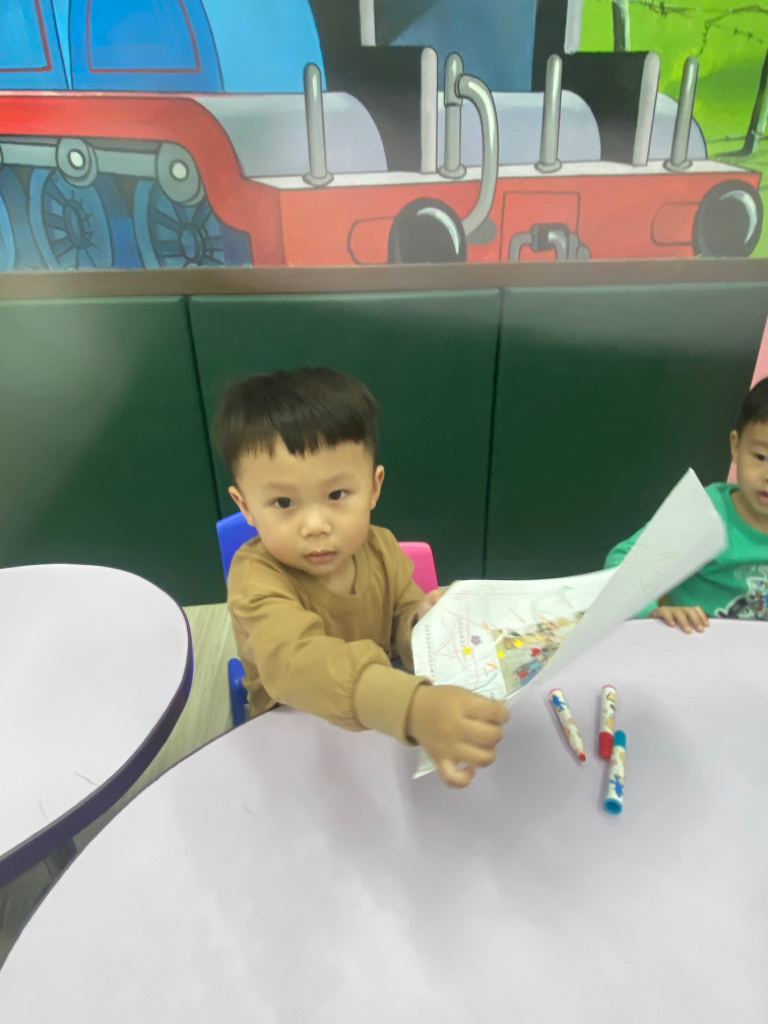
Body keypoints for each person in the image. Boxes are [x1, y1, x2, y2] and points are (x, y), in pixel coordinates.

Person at [214, 367, 509, 787]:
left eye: (336, 495)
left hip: (377, 721)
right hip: (294, 727)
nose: (315, 525)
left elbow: (404, 614)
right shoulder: (255, 577)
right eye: (283, 502)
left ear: (373, 487)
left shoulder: (381, 547)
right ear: (245, 506)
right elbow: (297, 664)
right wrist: (412, 708)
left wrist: (422, 622)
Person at [605, 376, 768, 632]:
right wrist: (651, 613)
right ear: (736, 446)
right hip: (689, 644)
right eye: (761, 456)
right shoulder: (705, 513)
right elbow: (621, 562)